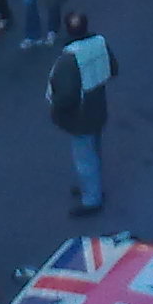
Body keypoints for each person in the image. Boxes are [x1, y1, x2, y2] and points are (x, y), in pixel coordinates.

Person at [48, 12, 117, 217]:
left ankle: (91, 198)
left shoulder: (69, 58)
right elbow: (113, 68)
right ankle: (91, 185)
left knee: (84, 157)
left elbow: (66, 95)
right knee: (93, 149)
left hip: (79, 115)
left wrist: (55, 108)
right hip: (98, 106)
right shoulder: (99, 43)